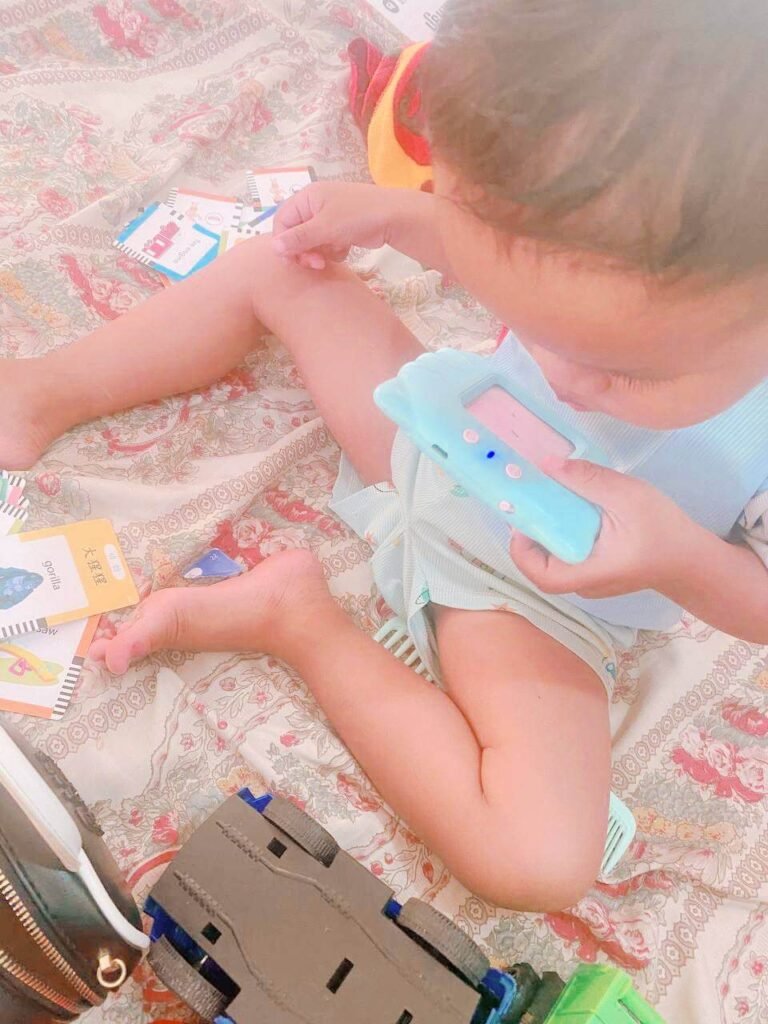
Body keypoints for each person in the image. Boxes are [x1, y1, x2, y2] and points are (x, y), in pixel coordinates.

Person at [5, 0, 768, 911]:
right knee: (279, 265)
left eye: (623, 373)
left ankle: (300, 622)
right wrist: (392, 217)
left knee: (536, 862)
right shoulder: (598, 235)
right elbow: (497, 249)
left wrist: (678, 557)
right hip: (432, 432)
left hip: (541, 592)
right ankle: (38, 391)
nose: (561, 382)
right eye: (528, 324)